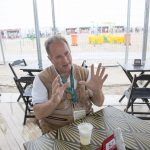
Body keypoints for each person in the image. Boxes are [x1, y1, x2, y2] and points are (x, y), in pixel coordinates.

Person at [32, 35, 108, 134]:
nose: (65, 60)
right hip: (56, 131)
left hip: (85, 127)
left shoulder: (85, 73)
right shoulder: (42, 78)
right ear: (50, 59)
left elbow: (99, 103)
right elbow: (38, 114)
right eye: (59, 57)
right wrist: (53, 101)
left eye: (67, 53)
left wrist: (97, 91)